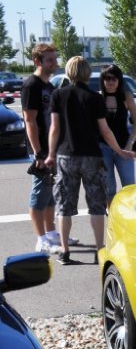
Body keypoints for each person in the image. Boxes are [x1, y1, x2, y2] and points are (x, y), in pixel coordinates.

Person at [44, 56, 136, 265]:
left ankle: (65, 251)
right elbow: (105, 131)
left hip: (65, 156)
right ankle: (99, 249)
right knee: (97, 205)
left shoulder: (58, 95)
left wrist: (50, 154)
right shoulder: (95, 98)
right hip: (92, 157)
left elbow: (55, 128)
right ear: (88, 73)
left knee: (64, 206)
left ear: (69, 72)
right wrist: (120, 151)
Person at [21, 43, 67, 253]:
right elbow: (29, 120)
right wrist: (38, 152)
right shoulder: (32, 85)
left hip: (52, 149)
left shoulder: (49, 86)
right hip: (41, 150)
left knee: (49, 194)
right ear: (38, 61)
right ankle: (41, 239)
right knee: (39, 195)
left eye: (55, 59)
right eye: (50, 60)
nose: (55, 63)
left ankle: (51, 234)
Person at [98, 65, 136, 196]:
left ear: (119, 80)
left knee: (129, 188)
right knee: (108, 189)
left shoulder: (126, 96)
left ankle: (127, 216)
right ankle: (110, 214)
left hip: (124, 146)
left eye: (114, 79)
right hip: (103, 148)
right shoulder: (98, 98)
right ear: (103, 80)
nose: (110, 82)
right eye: (107, 78)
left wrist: (130, 144)